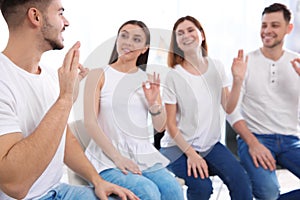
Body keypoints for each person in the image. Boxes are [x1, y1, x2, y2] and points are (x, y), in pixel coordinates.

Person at [0, 0, 139, 200]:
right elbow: (15, 185)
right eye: (60, 13)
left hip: (58, 190)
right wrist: (65, 99)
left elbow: (63, 140)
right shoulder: (3, 78)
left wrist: (97, 180)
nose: (66, 22)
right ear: (35, 17)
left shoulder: (48, 76)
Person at [83, 20, 184, 200]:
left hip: (143, 155)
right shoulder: (98, 74)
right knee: (148, 191)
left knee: (173, 189)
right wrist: (118, 158)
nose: (128, 42)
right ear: (117, 40)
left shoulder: (146, 79)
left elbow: (160, 127)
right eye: (124, 35)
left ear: (145, 48)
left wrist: (154, 104)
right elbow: (90, 123)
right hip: (106, 158)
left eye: (136, 39)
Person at [159, 15, 252, 200]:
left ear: (201, 34)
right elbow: (170, 125)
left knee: (241, 182)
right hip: (177, 147)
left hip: (210, 145)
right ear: (176, 42)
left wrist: (238, 81)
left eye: (190, 30)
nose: (186, 35)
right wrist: (191, 154)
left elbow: (228, 106)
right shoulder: (173, 76)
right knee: (202, 187)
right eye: (180, 33)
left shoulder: (216, 66)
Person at [227, 3, 300, 200]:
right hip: (255, 137)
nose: (267, 31)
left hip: (291, 140)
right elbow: (231, 111)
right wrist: (253, 143)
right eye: (264, 25)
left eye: (275, 25)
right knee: (268, 193)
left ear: (289, 28)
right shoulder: (246, 62)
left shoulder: (297, 62)